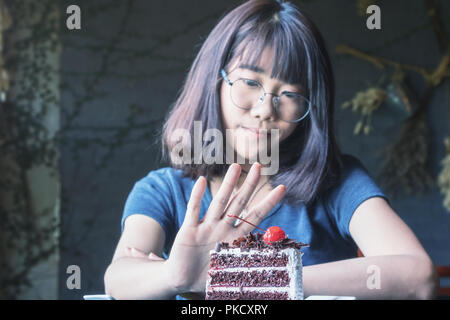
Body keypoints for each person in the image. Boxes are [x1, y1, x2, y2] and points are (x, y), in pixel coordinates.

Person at [104, 0, 438, 300]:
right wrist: (176, 275)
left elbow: (418, 276)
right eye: (250, 82)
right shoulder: (164, 190)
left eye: (290, 94)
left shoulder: (337, 182)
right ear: (214, 80)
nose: (266, 109)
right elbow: (119, 279)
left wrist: (257, 279)